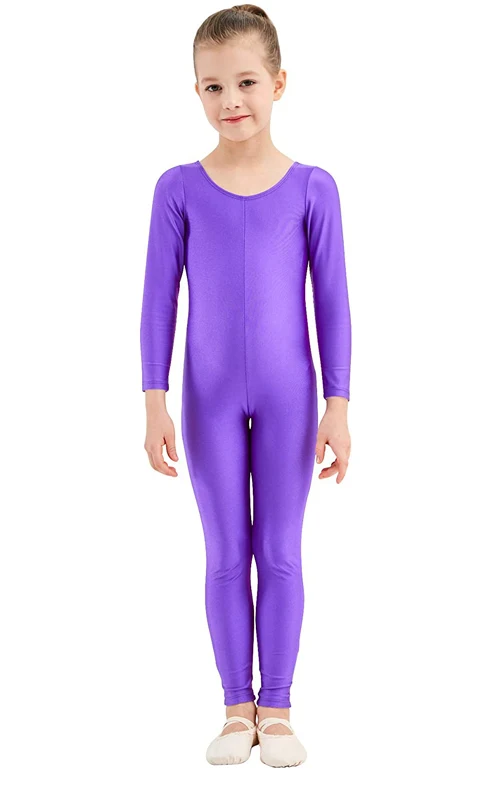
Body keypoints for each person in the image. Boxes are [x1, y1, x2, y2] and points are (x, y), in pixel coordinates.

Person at [140, 4, 352, 767]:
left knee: (281, 550)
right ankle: (238, 708)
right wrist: (154, 401)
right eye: (213, 86)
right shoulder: (177, 189)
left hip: (293, 398)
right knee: (228, 551)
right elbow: (158, 300)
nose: (231, 100)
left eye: (247, 82)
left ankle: (280, 709)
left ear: (279, 83)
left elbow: (332, 303)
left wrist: (338, 406)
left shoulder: (313, 188)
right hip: (208, 400)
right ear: (196, 91)